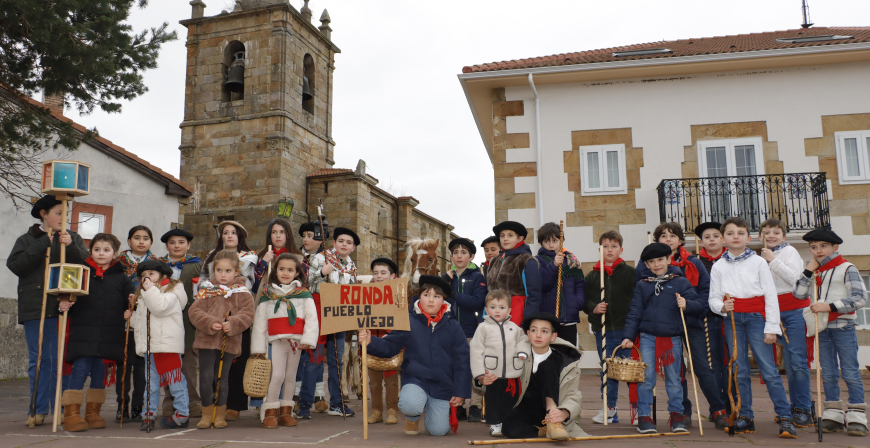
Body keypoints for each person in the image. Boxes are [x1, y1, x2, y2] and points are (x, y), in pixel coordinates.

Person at [708, 217, 796, 438]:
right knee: (740, 371)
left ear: (748, 238)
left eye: (740, 232)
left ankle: (785, 417)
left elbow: (770, 295)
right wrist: (722, 306)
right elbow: (713, 299)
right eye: (730, 233)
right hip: (733, 319)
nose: (735, 236)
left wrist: (772, 327)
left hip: (757, 318)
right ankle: (745, 416)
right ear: (723, 239)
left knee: (768, 369)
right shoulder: (718, 265)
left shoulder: (758, 262)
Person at [6, 195, 88, 426]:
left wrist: (69, 246)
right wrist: (45, 242)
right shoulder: (27, 239)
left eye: (66, 214)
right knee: (40, 359)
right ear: (44, 214)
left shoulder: (73, 238)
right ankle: (37, 409)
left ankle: (60, 408)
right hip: (35, 308)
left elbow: (85, 264)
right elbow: (16, 266)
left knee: (60, 360)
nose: (64, 218)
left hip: (66, 307)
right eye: (59, 213)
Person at [358, 275, 471, 437]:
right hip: (416, 379)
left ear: (444, 301)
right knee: (410, 404)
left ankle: (434, 411)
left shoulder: (453, 326)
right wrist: (370, 341)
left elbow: (462, 360)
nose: (431, 300)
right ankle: (413, 416)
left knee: (438, 431)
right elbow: (390, 346)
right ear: (419, 297)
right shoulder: (408, 321)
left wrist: (460, 391)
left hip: (442, 384)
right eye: (426, 295)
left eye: (436, 296)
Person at [622, 242, 703, 435]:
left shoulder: (681, 282)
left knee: (675, 379)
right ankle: (644, 416)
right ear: (647, 265)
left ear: (669, 259)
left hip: (672, 338)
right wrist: (628, 336)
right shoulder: (642, 285)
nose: (657, 264)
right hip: (648, 336)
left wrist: (686, 304)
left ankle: (677, 415)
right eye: (652, 261)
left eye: (660, 259)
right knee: (646, 378)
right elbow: (635, 312)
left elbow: (700, 305)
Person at [794, 228, 867, 437]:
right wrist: (808, 270)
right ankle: (833, 413)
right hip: (822, 328)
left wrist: (830, 306)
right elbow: (799, 294)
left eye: (823, 246)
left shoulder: (847, 268)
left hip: (843, 326)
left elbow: (861, 298)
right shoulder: (816, 271)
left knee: (850, 371)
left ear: (835, 247)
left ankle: (856, 414)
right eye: (814, 247)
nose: (818, 251)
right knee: (828, 372)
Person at [60, 233, 134, 432]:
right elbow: (65, 296)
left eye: (106, 250)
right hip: (83, 334)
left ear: (115, 253)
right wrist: (63, 304)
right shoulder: (80, 272)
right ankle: (72, 414)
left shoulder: (122, 277)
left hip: (109, 335)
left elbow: (132, 300)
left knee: (100, 374)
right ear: (90, 251)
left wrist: (131, 308)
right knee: (80, 370)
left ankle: (93, 413)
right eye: (97, 249)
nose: (101, 253)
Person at [653, 222, 724, 429]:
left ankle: (718, 408)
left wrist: (692, 307)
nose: (668, 239)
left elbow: (705, 292)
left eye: (672, 235)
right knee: (676, 369)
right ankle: (683, 410)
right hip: (667, 325)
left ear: (681, 240)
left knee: (703, 366)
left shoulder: (694, 262)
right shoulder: (651, 263)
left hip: (693, 321)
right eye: (663, 236)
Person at [189, 250, 255, 429]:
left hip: (229, 342)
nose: (223, 275)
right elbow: (194, 312)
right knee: (205, 377)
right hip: (206, 341)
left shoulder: (242, 293)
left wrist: (233, 323)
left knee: (222, 378)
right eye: (219, 270)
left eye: (227, 271)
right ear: (213, 270)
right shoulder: (207, 289)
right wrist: (209, 322)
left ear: (236, 272)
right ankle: (206, 414)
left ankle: (220, 414)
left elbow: (248, 315)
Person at [251, 253, 317, 429]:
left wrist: (308, 339)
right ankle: (270, 411)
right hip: (278, 341)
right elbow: (260, 322)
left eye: (290, 270)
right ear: (275, 271)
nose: (285, 273)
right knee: (277, 375)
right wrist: (257, 347)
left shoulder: (303, 293)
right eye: (281, 269)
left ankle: (286, 411)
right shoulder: (268, 293)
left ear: (297, 273)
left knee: (291, 376)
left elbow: (312, 318)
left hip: (296, 342)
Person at [200, 221, 258, 421]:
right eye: (226, 232)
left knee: (235, 363)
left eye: (234, 233)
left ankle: (234, 404)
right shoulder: (211, 258)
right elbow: (201, 284)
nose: (230, 236)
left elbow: (249, 283)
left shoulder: (249, 258)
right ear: (221, 236)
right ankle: (211, 407)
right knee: (209, 370)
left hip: (236, 313)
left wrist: (232, 294)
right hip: (212, 314)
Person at [759, 218, 812, 428]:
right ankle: (794, 405)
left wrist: (773, 261)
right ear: (760, 236)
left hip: (794, 309)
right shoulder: (759, 257)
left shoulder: (789, 252)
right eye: (766, 232)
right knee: (786, 364)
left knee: (797, 361)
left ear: (784, 236)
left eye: (775, 232)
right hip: (774, 312)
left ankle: (803, 408)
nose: (771, 236)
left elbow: (796, 281)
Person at [501, 312, 586, 440]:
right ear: (528, 334)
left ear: (553, 336)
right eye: (534, 330)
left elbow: (573, 395)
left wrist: (563, 413)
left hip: (554, 409)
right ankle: (544, 430)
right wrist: (482, 379)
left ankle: (553, 422)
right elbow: (498, 377)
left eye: (545, 331)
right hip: (528, 408)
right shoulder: (518, 357)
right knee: (509, 428)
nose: (538, 335)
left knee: (546, 366)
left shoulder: (565, 363)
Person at [584, 230, 637, 425]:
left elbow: (637, 300)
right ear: (600, 249)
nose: (609, 250)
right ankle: (609, 408)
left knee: (631, 370)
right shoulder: (592, 275)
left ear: (621, 249)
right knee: (607, 369)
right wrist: (594, 308)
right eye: (605, 246)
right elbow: (585, 300)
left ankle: (637, 409)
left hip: (626, 330)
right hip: (603, 330)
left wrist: (634, 328)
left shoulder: (630, 273)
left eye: (614, 246)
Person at [129, 260, 190, 431]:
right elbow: (143, 322)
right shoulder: (147, 294)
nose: (146, 278)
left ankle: (182, 414)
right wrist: (131, 317)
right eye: (143, 275)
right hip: (151, 347)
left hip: (166, 347)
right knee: (151, 384)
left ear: (163, 276)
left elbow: (159, 308)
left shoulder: (172, 293)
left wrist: (148, 291)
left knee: (175, 382)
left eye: (151, 274)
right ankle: (148, 413)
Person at [307, 227, 359, 417]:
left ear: (353, 248)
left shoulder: (352, 266)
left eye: (348, 242)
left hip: (339, 316)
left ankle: (337, 403)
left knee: (337, 360)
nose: (344, 245)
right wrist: (322, 272)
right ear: (334, 243)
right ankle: (304, 404)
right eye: (341, 241)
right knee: (314, 358)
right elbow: (307, 281)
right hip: (320, 312)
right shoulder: (321, 258)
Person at [471, 290, 531, 437]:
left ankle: (508, 421)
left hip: (512, 372)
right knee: (493, 400)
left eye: (502, 307)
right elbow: (475, 349)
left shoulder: (515, 328)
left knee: (511, 400)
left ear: (509, 310)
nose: (497, 311)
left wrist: (522, 352)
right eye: (493, 307)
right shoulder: (483, 328)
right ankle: (495, 424)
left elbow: (524, 340)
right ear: (486, 310)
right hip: (492, 372)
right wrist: (479, 373)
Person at [159, 229, 203, 419]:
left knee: (189, 365)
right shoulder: (158, 266)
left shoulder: (198, 266)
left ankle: (193, 401)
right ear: (167, 245)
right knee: (169, 363)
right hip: (165, 320)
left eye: (181, 242)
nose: (177, 246)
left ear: (189, 245)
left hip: (188, 321)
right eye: (172, 242)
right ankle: (170, 402)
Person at [114, 225, 156, 423]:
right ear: (129, 241)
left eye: (145, 238)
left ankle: (139, 406)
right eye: (136, 237)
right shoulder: (117, 262)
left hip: (145, 321)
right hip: (123, 319)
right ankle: (122, 405)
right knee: (123, 364)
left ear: (151, 242)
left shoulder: (156, 265)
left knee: (141, 366)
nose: (141, 241)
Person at [442, 237, 487, 422]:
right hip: (451, 330)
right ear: (451, 256)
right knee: (454, 368)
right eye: (455, 252)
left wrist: (453, 294)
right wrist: (444, 283)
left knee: (474, 366)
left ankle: (475, 405)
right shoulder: (446, 278)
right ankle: (457, 405)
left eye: (464, 252)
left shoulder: (477, 277)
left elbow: (477, 302)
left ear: (472, 256)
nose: (459, 256)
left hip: (471, 330)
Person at [693, 221, 728, 427]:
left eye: (716, 235)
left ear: (722, 238)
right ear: (701, 242)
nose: (712, 239)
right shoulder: (697, 263)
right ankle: (718, 407)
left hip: (728, 317)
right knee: (711, 363)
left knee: (729, 362)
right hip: (706, 318)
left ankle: (732, 403)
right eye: (707, 237)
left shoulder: (731, 259)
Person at [294, 221, 330, 416]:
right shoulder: (296, 258)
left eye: (311, 235)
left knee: (315, 356)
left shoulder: (327, 258)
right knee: (298, 355)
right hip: (299, 307)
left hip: (318, 307)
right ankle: (296, 396)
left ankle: (310, 398)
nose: (306, 239)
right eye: (304, 235)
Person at [535, 222, 585, 343]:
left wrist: (577, 303)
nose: (551, 245)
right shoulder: (537, 261)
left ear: (562, 240)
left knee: (569, 354)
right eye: (547, 241)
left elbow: (580, 284)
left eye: (555, 240)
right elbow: (543, 284)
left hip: (569, 318)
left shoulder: (571, 260)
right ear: (541, 243)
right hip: (549, 317)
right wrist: (554, 265)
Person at [486, 221, 541, 326]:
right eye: (502, 235)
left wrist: (528, 320)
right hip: (494, 313)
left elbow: (534, 295)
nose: (505, 238)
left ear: (520, 238)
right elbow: (488, 293)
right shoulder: (493, 261)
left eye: (510, 235)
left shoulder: (526, 260)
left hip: (517, 313)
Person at [366, 257, 401, 425]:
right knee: (374, 380)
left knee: (391, 379)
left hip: (390, 342)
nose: (379, 276)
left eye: (383, 273)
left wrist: (391, 333)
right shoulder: (365, 293)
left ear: (392, 275)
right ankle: (376, 409)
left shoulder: (398, 294)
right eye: (375, 273)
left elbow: (401, 319)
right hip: (371, 341)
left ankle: (392, 409)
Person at [253, 218, 302, 294]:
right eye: (274, 232)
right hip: (265, 301)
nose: (278, 236)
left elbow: (303, 284)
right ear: (270, 235)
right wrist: (263, 263)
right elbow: (254, 286)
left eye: (282, 232)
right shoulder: (261, 256)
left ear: (288, 235)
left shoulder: (299, 257)